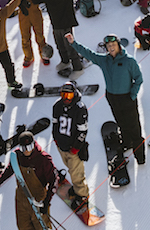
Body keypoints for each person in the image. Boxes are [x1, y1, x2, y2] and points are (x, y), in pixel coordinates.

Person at [67, 33, 145, 164]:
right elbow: (88, 54)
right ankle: (127, 143)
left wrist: (132, 95)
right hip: (113, 98)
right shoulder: (104, 60)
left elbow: (138, 79)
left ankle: (140, 157)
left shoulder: (129, 61)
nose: (111, 48)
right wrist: (73, 43)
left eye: (113, 45)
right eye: (109, 46)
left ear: (119, 45)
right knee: (120, 123)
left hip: (127, 98)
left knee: (134, 127)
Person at [0, 132, 56, 230]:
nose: (26, 151)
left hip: (38, 200)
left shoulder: (43, 159)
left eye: (29, 147)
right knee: (23, 227)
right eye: (23, 148)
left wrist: (46, 202)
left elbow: (54, 180)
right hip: (21, 198)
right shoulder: (17, 156)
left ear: (34, 144)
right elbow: (9, 170)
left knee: (41, 227)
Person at [51, 82, 90, 210]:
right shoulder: (57, 106)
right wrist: (56, 139)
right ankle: (77, 187)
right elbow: (55, 124)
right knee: (70, 168)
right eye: (64, 95)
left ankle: (82, 195)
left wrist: (76, 147)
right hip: (62, 145)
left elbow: (82, 131)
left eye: (69, 95)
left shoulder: (80, 108)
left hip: (73, 148)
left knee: (76, 172)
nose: (66, 98)